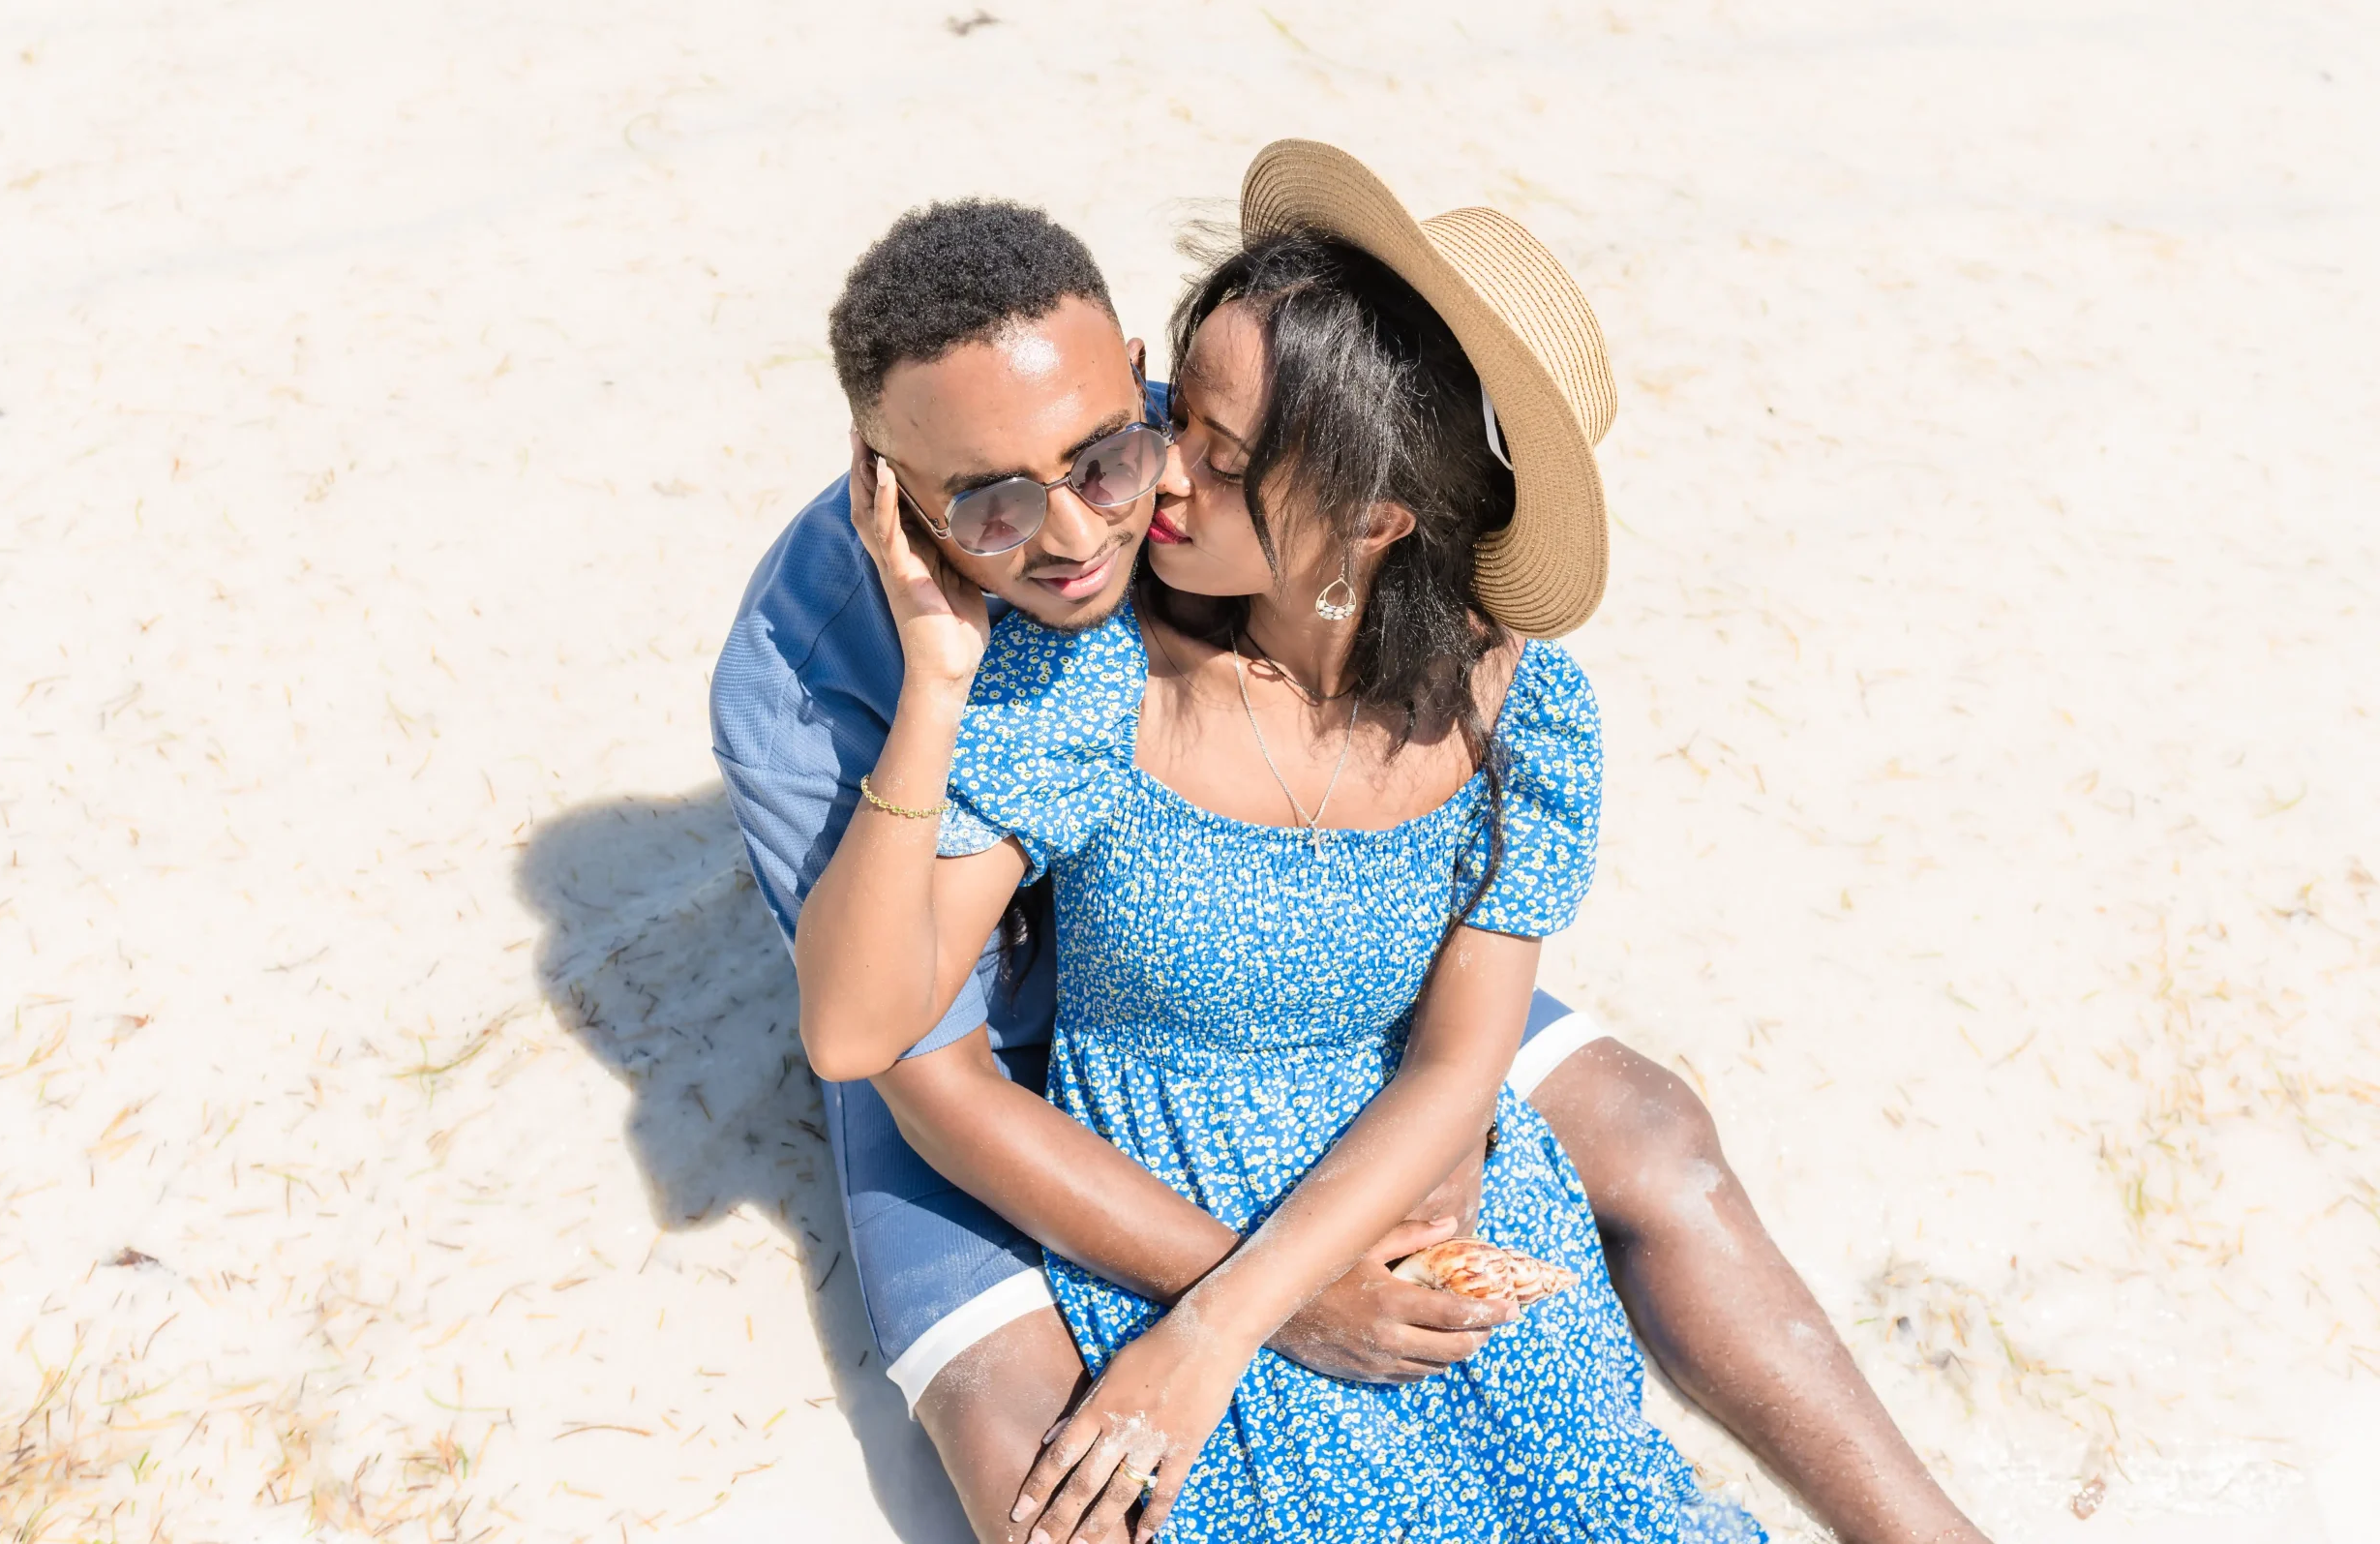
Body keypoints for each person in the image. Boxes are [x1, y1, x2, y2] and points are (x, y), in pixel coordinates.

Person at [712, 159, 1987, 1543]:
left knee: (1648, 1164)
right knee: (1061, 1493)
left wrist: (1429, 1137)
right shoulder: (829, 677)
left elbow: (1452, 1032)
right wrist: (1262, 1302)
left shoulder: (1260, 466)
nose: (1095, 525)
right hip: (992, 1034)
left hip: (1317, 970)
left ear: (1134, 377)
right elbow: (904, 1056)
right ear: (889, 486)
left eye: (1129, 451)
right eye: (990, 505)